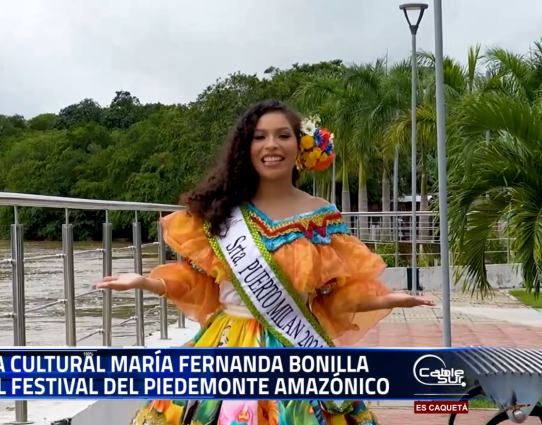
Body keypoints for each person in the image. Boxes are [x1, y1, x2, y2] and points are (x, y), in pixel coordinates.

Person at [92, 100, 434, 425]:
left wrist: (390, 299)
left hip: (297, 349)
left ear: (300, 146)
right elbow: (196, 283)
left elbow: (335, 295)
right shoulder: (223, 211)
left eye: (283, 135)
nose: (272, 145)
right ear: (246, 147)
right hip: (226, 345)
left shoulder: (321, 215)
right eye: (260, 136)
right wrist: (145, 282)